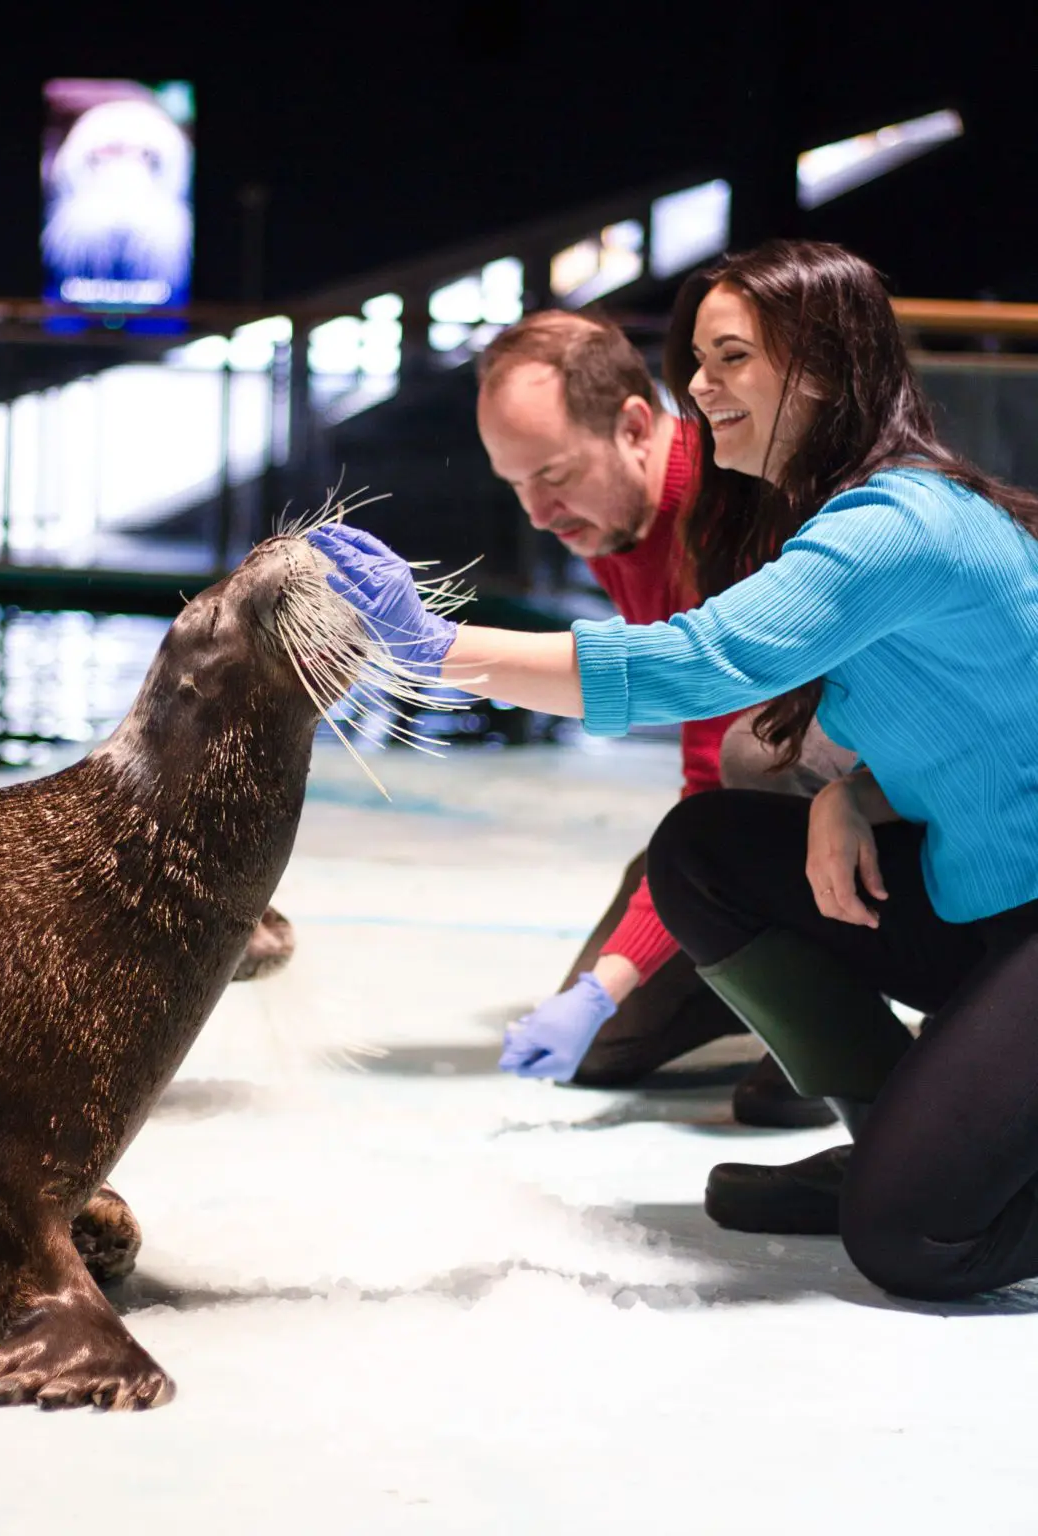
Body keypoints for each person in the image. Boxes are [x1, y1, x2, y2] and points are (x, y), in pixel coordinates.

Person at [310, 238, 1038, 1301]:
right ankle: (895, 1132)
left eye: (731, 357)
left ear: (825, 365)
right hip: (981, 894)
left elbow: (693, 667)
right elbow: (981, 717)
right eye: (696, 356)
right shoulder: (822, 515)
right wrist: (851, 790)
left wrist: (434, 649)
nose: (697, 385)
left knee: (911, 1243)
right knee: (705, 851)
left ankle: (936, 1177)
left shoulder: (898, 522)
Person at [472, 310, 846, 1124]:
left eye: (556, 474)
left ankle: (838, 995)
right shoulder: (614, 520)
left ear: (636, 425)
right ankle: (753, 977)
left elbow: (726, 777)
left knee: (756, 757)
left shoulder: (736, 507)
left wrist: (609, 980)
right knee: (603, 1053)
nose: (537, 511)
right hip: (751, 805)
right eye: (516, 484)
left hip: (858, 799)